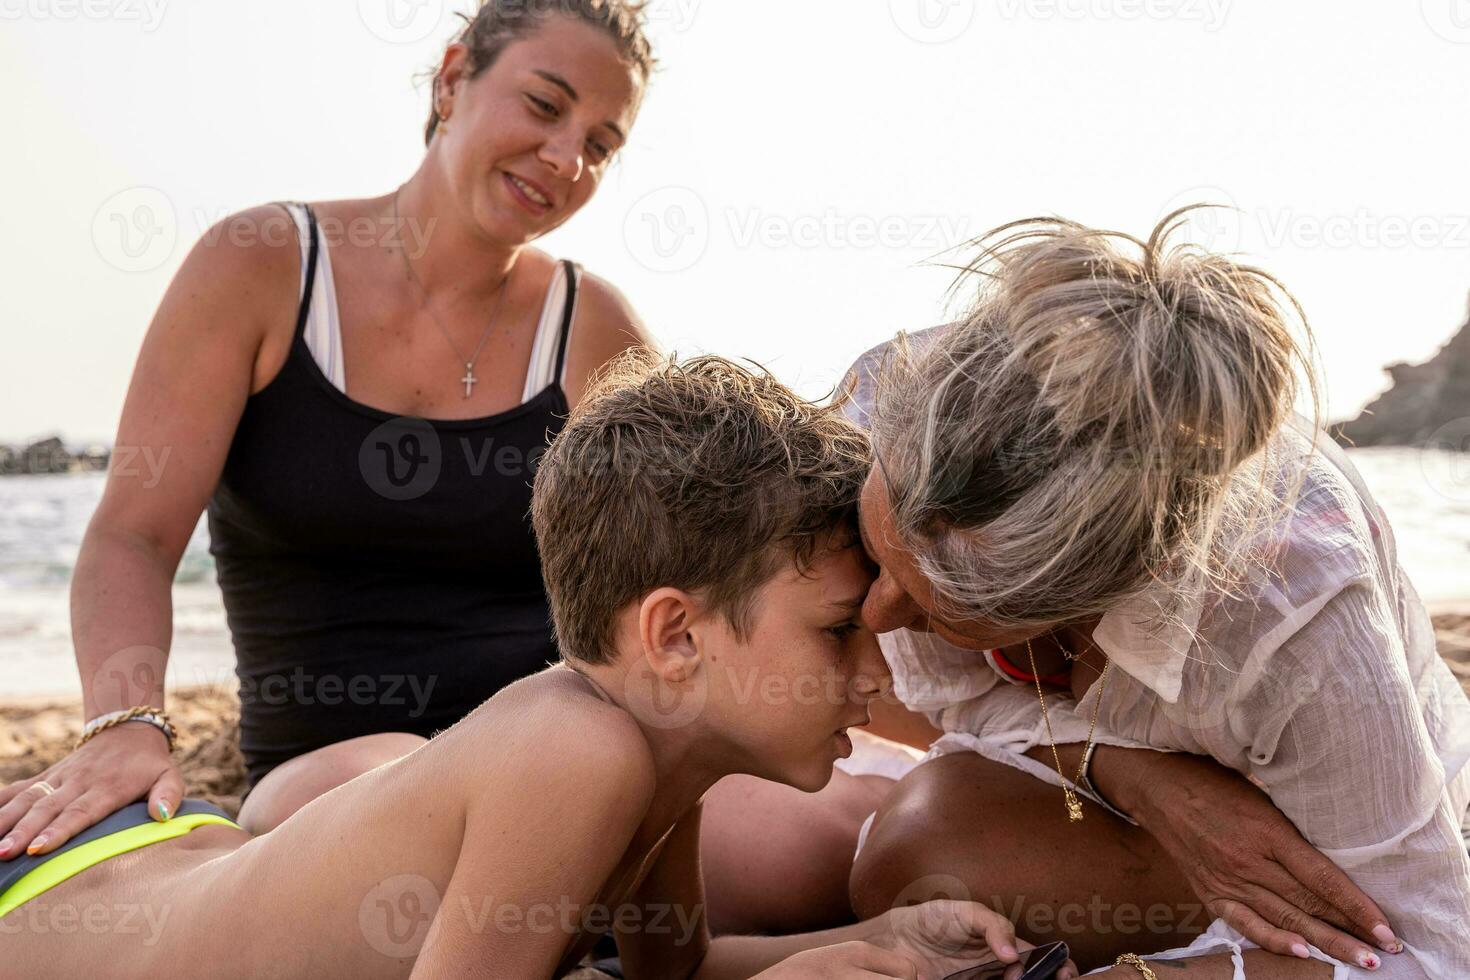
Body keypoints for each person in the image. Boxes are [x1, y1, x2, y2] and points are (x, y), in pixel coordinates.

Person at [0, 353, 1067, 980]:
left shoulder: (660, 759)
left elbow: (673, 972)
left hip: (153, 866)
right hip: (54, 915)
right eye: (838, 630)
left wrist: (864, 944)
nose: (875, 677)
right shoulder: (579, 747)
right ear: (676, 636)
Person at [839, 212, 1470, 978]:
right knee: (906, 859)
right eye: (876, 557)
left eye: (929, 603)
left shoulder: (1296, 609)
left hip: (1328, 830)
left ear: (1082, 606)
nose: (875, 618)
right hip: (1125, 796)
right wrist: (1139, 777)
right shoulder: (881, 410)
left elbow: (1435, 947)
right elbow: (952, 700)